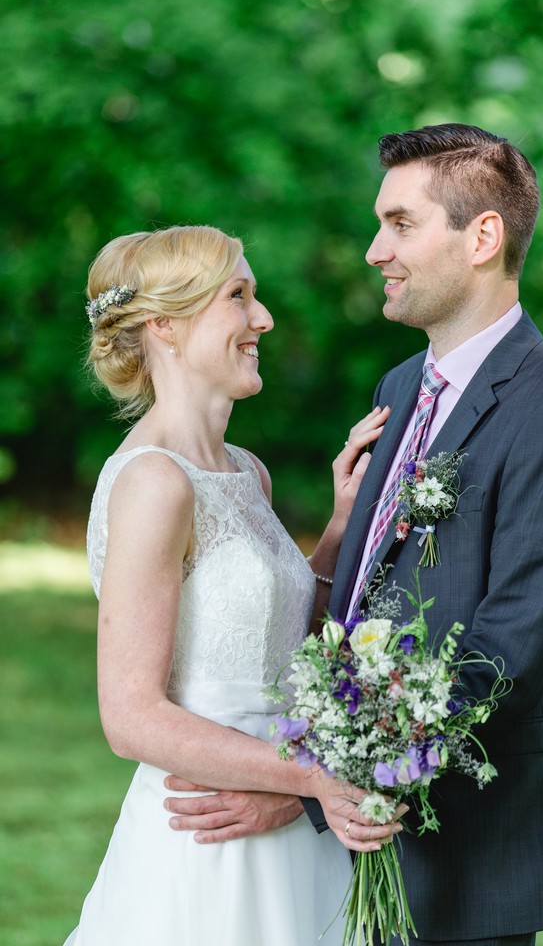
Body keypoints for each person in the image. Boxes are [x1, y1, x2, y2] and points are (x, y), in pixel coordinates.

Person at [166, 126, 543, 946]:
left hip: (474, 845)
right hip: (365, 833)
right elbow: (370, 597)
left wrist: (313, 789)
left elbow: (508, 655)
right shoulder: (402, 384)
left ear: (482, 236)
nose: (375, 250)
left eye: (400, 224)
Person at [64, 224, 402, 946]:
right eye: (239, 297)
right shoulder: (154, 481)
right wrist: (314, 777)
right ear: (165, 325)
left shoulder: (245, 470)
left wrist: (341, 525)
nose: (263, 318)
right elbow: (130, 716)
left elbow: (276, 641)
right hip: (207, 831)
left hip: (285, 811)